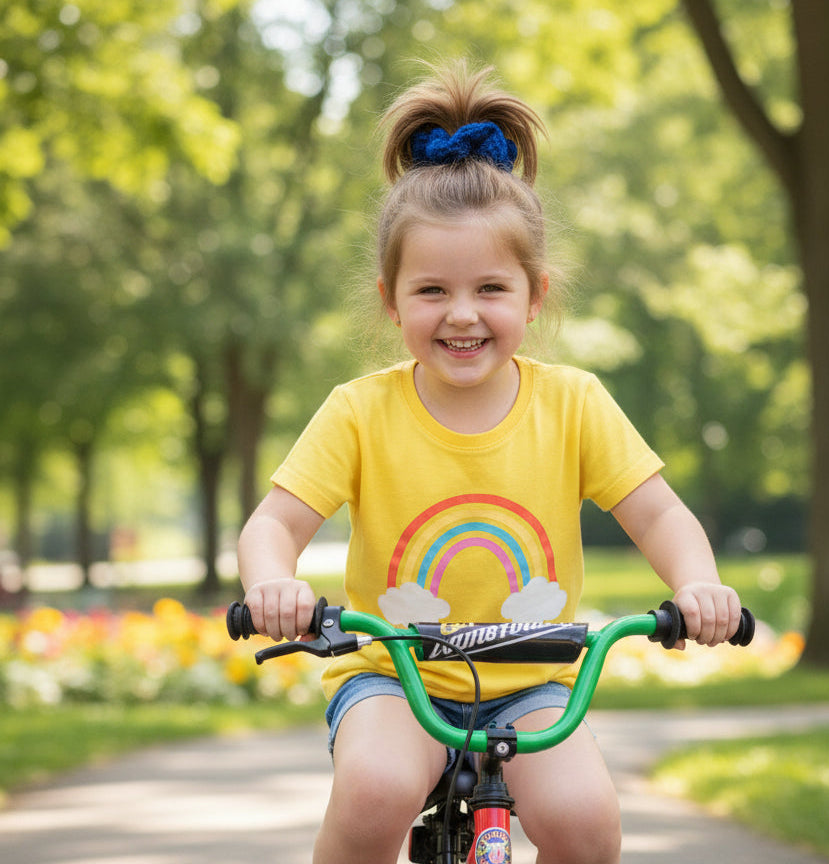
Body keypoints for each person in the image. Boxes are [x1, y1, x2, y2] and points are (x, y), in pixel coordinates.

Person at [238, 60, 742, 864]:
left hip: (536, 684)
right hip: (393, 678)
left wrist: (698, 586)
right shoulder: (358, 411)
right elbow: (275, 522)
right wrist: (274, 583)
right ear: (391, 299)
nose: (462, 313)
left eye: (492, 289)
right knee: (372, 793)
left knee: (586, 822)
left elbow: (658, 513)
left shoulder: (573, 403)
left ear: (534, 296)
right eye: (432, 289)